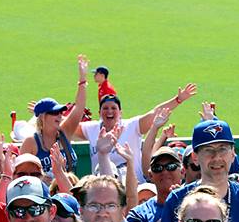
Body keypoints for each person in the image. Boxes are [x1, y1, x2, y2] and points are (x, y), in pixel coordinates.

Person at [68, 76, 197, 183]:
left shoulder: (132, 126)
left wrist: (178, 100)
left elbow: (155, 113)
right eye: (105, 108)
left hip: (137, 187)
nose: (109, 111)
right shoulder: (91, 129)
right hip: (103, 188)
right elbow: (67, 127)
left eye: (113, 108)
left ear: (121, 112)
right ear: (99, 112)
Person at [124, 146, 184, 222]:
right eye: (158, 168)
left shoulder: (195, 203)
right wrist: (170, 209)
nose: (164, 171)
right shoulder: (138, 213)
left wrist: (183, 204)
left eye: (171, 166)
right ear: (150, 175)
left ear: (182, 172)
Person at [19, 96, 79, 179]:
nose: (60, 115)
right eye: (55, 112)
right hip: (44, 191)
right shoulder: (31, 142)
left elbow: (79, 108)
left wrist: (82, 85)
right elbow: (21, 174)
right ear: (43, 117)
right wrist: (42, 178)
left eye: (61, 112)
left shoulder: (64, 134)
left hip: (70, 189)